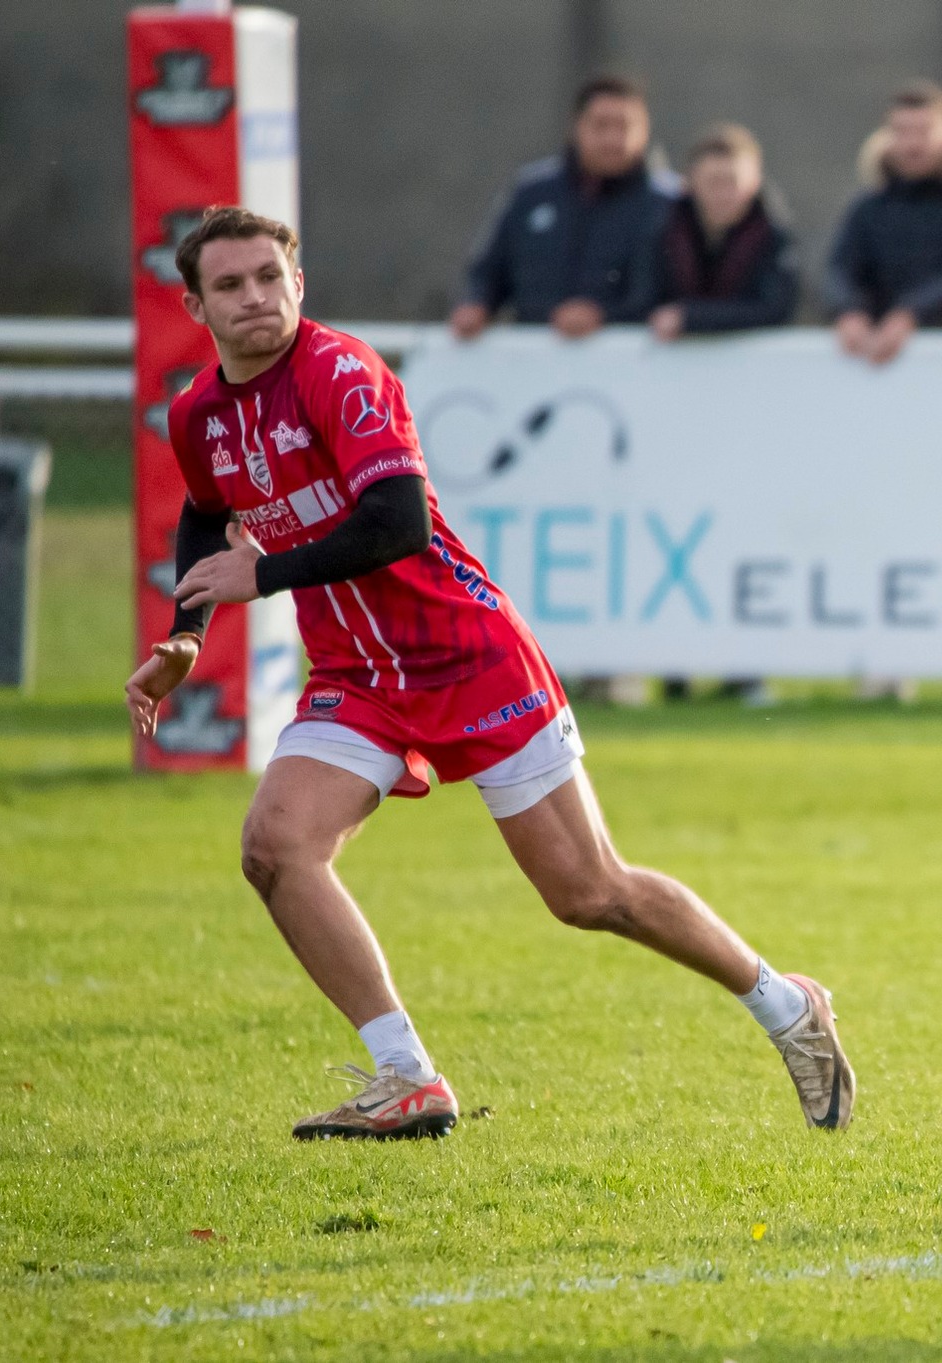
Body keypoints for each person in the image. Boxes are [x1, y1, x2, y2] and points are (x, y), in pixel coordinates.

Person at [128, 207, 854, 1140]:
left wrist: (260, 574)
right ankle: (406, 1076)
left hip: (468, 656)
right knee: (274, 846)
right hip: (358, 674)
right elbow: (203, 512)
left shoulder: (343, 374)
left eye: (270, 276)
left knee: (591, 894)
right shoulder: (199, 414)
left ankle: (786, 1005)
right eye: (229, 286)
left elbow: (400, 522)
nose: (255, 298)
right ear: (194, 304)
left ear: (298, 283)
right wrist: (188, 629)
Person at [449, 75, 676, 341]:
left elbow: (672, 296)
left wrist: (604, 315)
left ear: (645, 130)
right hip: (534, 362)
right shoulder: (532, 192)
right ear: (576, 126)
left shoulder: (668, 203)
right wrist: (476, 304)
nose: (613, 139)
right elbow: (489, 269)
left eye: (625, 126)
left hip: (633, 367)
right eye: (601, 126)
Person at [827, 80, 942, 366]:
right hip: (875, 359)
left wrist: (910, 315)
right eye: (902, 132)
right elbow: (839, 268)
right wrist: (849, 312)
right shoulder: (868, 208)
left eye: (924, 131)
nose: (913, 143)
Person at [649, 123, 799, 338]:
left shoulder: (774, 236)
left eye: (732, 182)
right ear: (690, 182)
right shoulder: (664, 229)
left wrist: (691, 318)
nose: (723, 194)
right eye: (713, 182)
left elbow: (774, 308)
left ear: (754, 181)